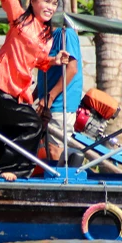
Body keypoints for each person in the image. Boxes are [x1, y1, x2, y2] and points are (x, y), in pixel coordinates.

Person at [0, 0, 70, 181]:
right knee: (32, 124)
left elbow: (38, 60)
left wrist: (54, 60)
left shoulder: (47, 35)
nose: (50, 7)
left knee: (8, 134)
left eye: (54, 4)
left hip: (14, 93)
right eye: (46, 1)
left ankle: (0, 175)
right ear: (33, 1)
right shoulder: (20, 20)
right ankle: (13, 171)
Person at [34, 25, 83, 161]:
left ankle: (60, 179)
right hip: (47, 103)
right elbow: (46, 76)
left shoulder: (65, 34)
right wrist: (30, 97)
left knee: (55, 149)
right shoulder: (47, 38)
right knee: (45, 149)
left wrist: (50, 97)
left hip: (60, 104)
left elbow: (72, 69)